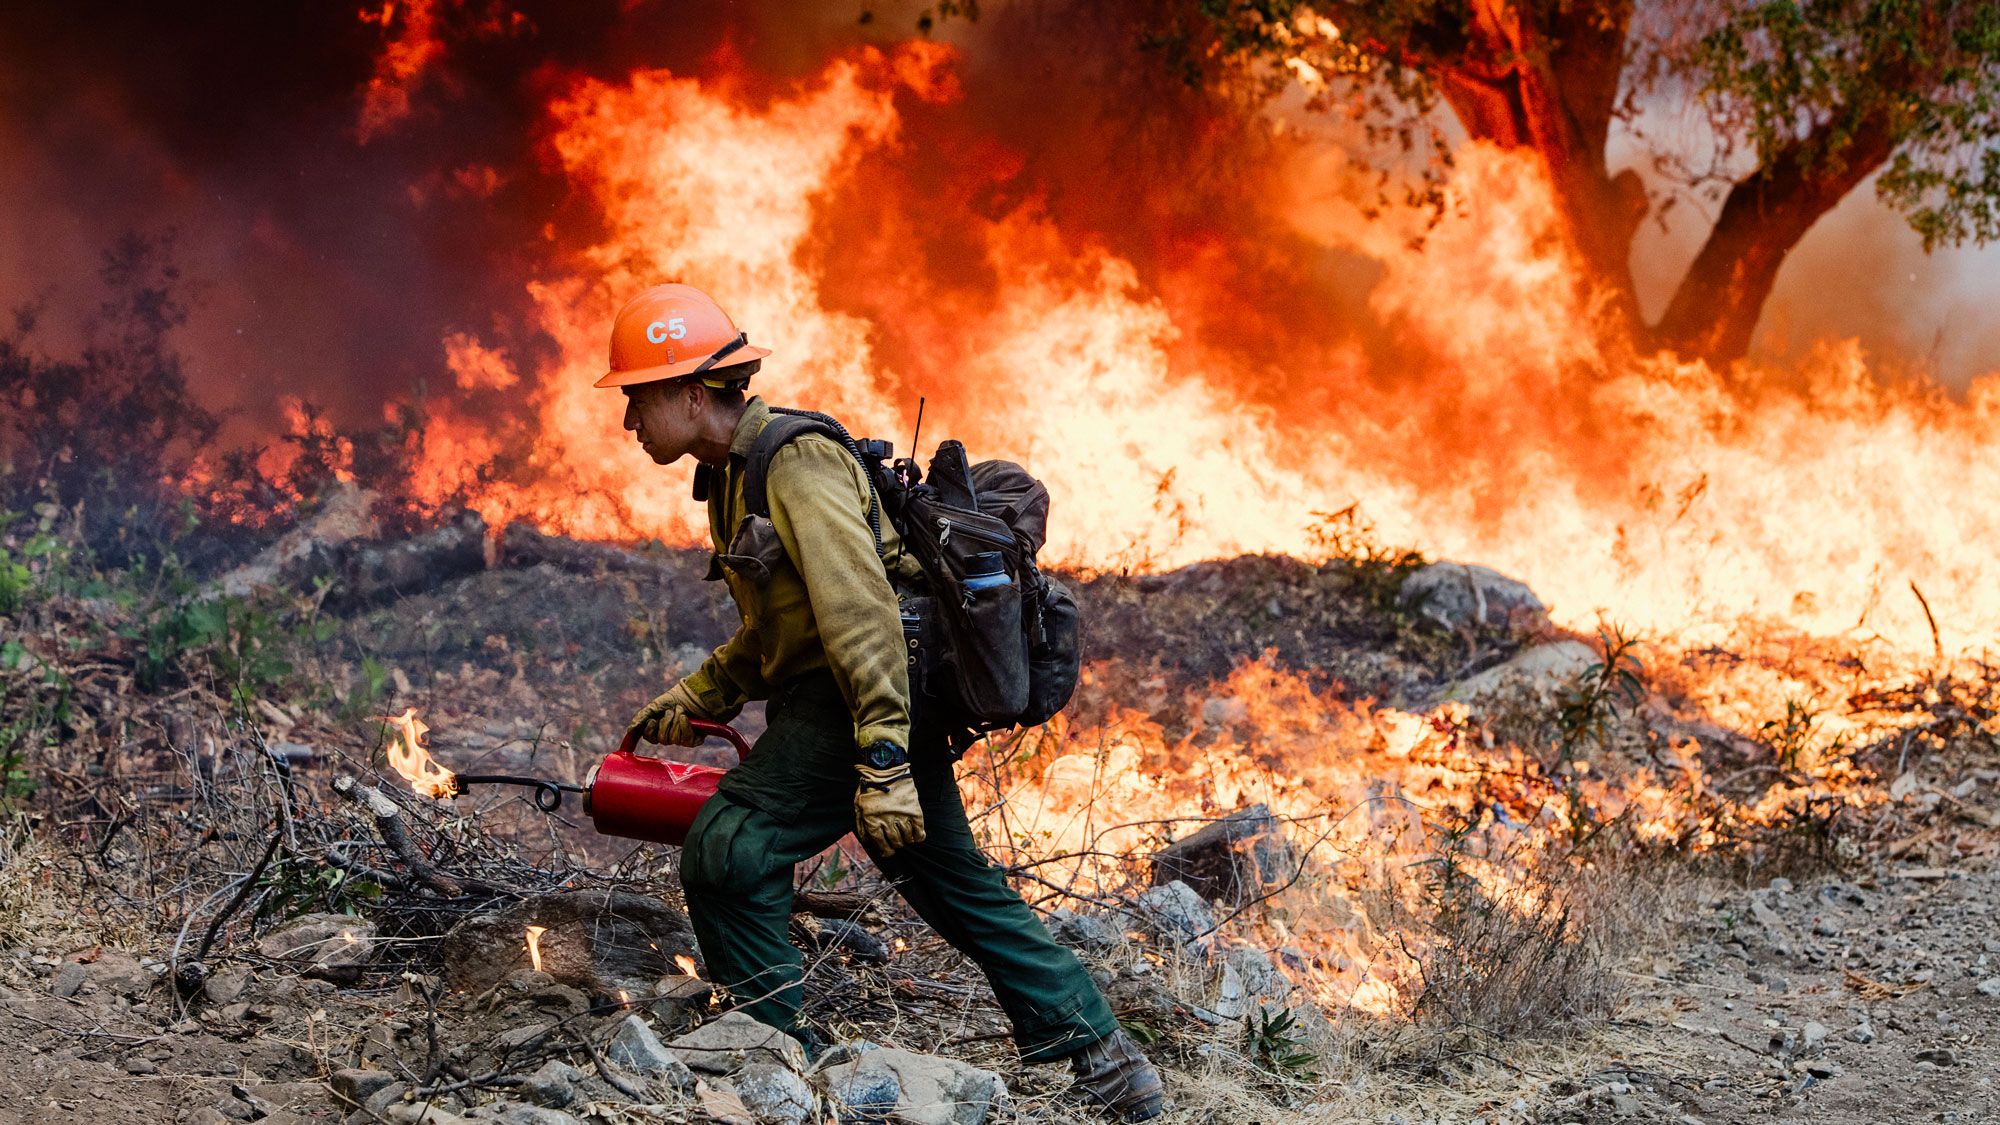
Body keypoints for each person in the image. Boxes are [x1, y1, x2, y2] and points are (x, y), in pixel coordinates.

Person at [598, 283, 1165, 1121]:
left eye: (638, 397)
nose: (628, 422)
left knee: (730, 848)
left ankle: (771, 1053)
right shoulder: (730, 479)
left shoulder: (794, 461)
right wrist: (699, 693)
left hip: (859, 699)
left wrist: (886, 759)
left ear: (692, 392)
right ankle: (1107, 1057)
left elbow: (859, 611)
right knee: (948, 877)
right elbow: (778, 629)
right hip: (848, 696)